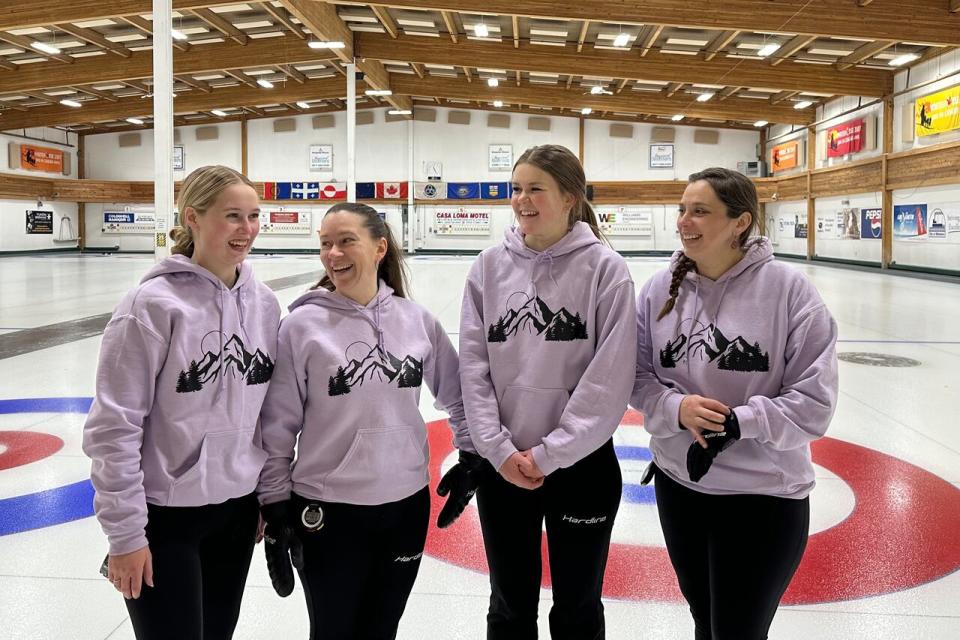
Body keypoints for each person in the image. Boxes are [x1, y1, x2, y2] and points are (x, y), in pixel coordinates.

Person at [631, 167, 838, 640]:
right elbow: (637, 377)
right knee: (705, 621)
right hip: (679, 486)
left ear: (741, 222)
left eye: (700, 211)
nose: (684, 221)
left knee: (738, 630)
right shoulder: (659, 288)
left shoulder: (789, 291)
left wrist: (740, 423)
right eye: (682, 210)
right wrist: (673, 408)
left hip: (761, 498)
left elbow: (814, 402)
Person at [257, 202, 477, 640]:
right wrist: (275, 501)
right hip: (328, 510)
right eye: (325, 244)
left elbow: (457, 395)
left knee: (382, 629)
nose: (333, 254)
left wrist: (471, 456)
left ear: (379, 248)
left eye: (345, 241)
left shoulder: (418, 322)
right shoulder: (301, 326)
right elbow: (277, 424)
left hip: (405, 507)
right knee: (333, 631)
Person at [82, 165, 280, 640]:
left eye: (253, 216)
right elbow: (115, 427)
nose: (246, 229)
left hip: (236, 512)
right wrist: (125, 535)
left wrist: (267, 498)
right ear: (192, 217)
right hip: (163, 519)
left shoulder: (266, 303)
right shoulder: (150, 306)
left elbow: (268, 415)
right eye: (232, 215)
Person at [459, 144, 637, 639]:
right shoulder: (488, 268)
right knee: (509, 604)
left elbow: (609, 378)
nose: (521, 200)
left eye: (535, 188)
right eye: (516, 189)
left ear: (571, 197)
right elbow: (473, 368)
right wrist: (496, 449)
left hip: (581, 466)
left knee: (578, 606)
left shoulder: (606, 270)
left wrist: (551, 454)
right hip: (504, 466)